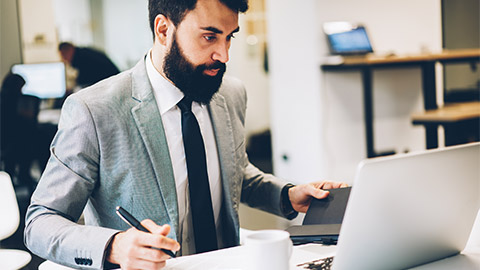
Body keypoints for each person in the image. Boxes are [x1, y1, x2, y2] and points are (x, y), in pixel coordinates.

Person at [24, 0, 347, 269]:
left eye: (229, 37)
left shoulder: (230, 94)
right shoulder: (94, 110)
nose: (224, 55)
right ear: (163, 29)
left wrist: (287, 195)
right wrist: (115, 246)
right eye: (210, 37)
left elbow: (236, 175)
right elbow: (40, 222)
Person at [0, 73, 39, 192]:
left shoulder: (4, 101)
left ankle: (11, 179)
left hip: (5, 145)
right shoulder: (22, 102)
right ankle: (24, 176)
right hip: (20, 146)